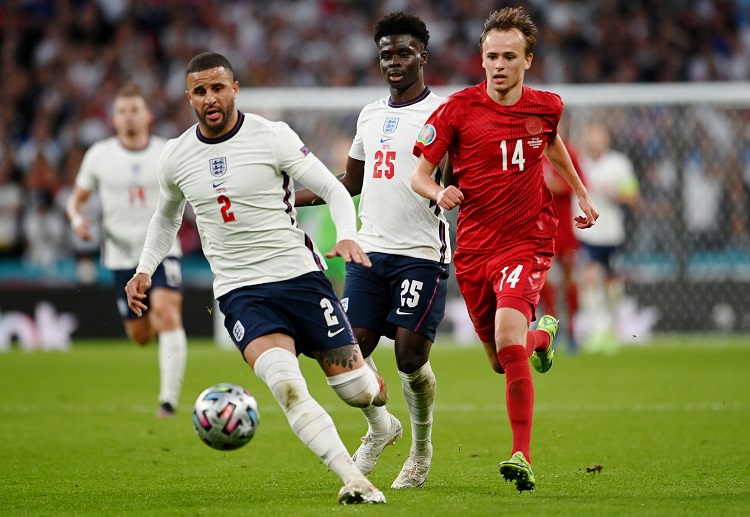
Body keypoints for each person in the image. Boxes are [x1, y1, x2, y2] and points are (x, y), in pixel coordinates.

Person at [125, 52, 387, 505]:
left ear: (235, 89)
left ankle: (382, 421)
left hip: (299, 277)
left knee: (356, 391)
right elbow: (166, 218)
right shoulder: (176, 155)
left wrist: (347, 235)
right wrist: (144, 268)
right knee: (287, 386)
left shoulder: (272, 136)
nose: (210, 98)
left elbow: (332, 187)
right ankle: (354, 480)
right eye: (200, 91)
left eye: (218, 88)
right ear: (189, 97)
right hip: (241, 291)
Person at [410, 7, 598, 492]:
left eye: (509, 57)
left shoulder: (547, 106)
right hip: (474, 250)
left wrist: (580, 193)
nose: (498, 65)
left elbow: (552, 145)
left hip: (526, 241)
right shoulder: (457, 109)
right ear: (482, 58)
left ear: (527, 60)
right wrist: (439, 192)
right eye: (491, 56)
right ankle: (544, 338)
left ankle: (522, 454)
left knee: (509, 342)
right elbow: (419, 175)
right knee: (501, 359)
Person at [296, 12, 449, 489]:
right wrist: (288, 197)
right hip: (370, 250)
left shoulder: (445, 113)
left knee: (408, 357)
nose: (394, 62)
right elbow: (350, 183)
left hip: (421, 251)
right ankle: (381, 427)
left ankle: (420, 452)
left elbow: (459, 176)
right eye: (386, 55)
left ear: (422, 56)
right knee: (345, 354)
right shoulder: (370, 115)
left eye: (404, 53)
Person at [66, 83, 187, 419]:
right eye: (122, 111)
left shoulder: (166, 152)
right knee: (140, 335)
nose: (129, 117)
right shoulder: (99, 155)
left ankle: (168, 402)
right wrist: (76, 219)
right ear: (113, 119)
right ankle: (155, 330)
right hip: (120, 256)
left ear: (148, 115)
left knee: (168, 313)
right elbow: (76, 199)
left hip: (162, 249)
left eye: (135, 110)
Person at [575, 121, 639, 353]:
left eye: (599, 135)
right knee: (589, 280)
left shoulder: (619, 164)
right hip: (586, 234)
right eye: (591, 135)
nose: (594, 140)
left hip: (612, 234)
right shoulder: (577, 162)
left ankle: (613, 329)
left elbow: (634, 197)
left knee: (613, 285)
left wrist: (615, 194)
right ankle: (595, 332)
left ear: (606, 139)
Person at [539, 137, 585, 353]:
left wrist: (556, 185)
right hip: (542, 225)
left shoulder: (569, 152)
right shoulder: (532, 150)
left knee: (569, 278)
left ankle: (573, 330)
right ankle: (552, 329)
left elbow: (581, 184)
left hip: (564, 225)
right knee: (545, 278)